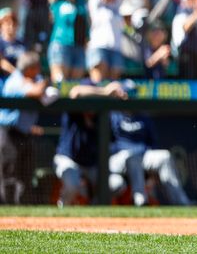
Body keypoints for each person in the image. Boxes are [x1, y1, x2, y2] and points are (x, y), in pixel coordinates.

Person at [53, 81, 128, 206]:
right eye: (89, 98)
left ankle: (95, 209)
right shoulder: (74, 112)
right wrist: (105, 91)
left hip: (92, 166)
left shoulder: (102, 116)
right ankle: (62, 210)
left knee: (117, 184)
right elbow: (75, 91)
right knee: (72, 184)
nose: (91, 103)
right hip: (69, 159)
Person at [108, 110, 193, 206]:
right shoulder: (114, 114)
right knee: (132, 158)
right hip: (120, 156)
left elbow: (152, 142)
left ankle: (182, 202)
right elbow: (107, 141)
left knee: (165, 156)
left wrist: (151, 173)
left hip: (142, 154)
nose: (126, 97)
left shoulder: (143, 116)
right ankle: (140, 200)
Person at [0, 52, 48, 203]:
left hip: (24, 133)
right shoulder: (15, 81)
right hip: (9, 133)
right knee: (10, 175)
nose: (40, 69)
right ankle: (8, 211)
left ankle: (23, 211)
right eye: (37, 67)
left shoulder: (34, 79)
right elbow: (37, 91)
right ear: (29, 68)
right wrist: (47, 82)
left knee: (26, 175)